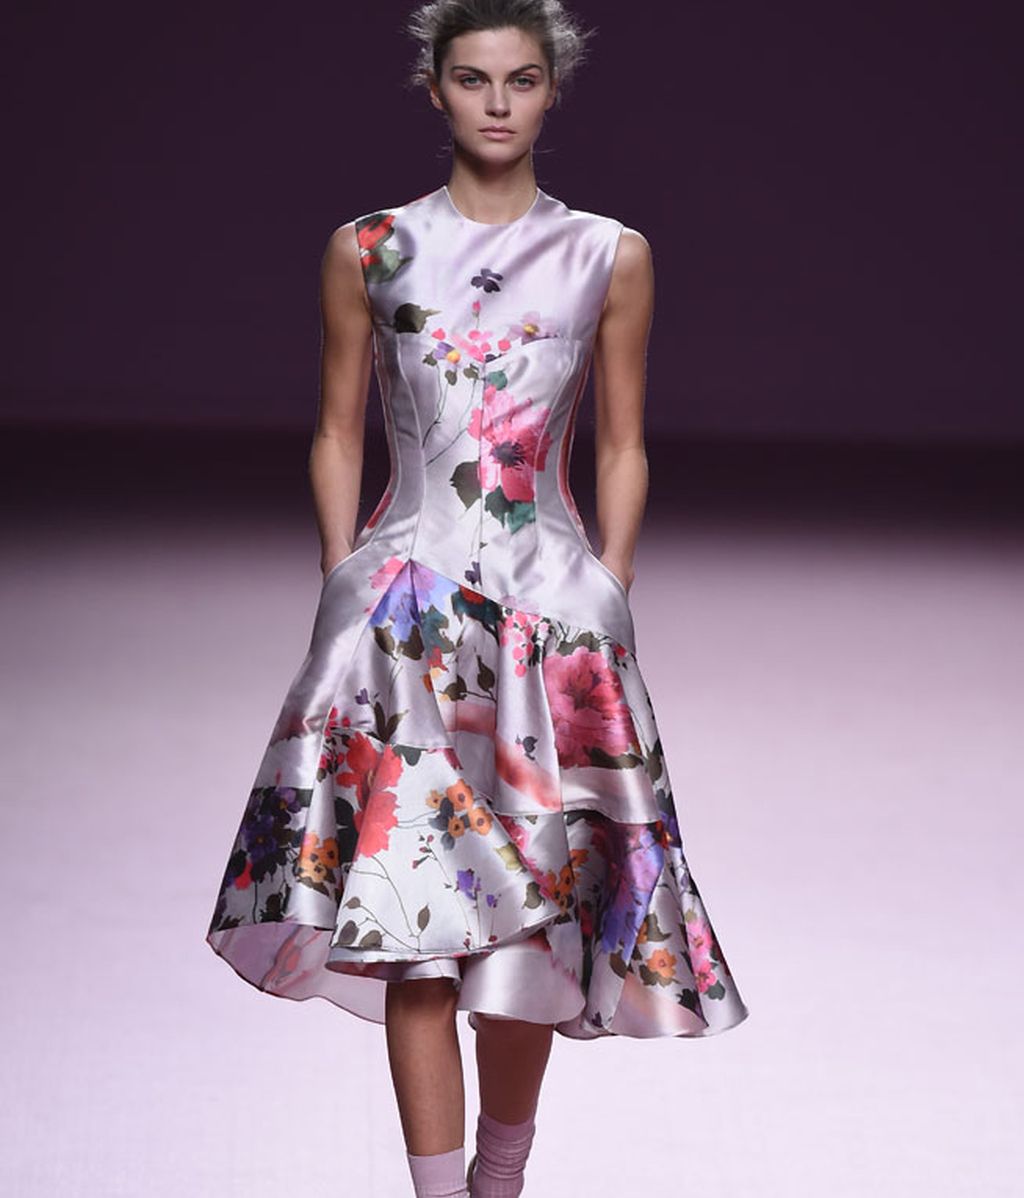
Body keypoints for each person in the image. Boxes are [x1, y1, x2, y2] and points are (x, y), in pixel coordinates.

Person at [205, 2, 749, 1194]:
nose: (497, 103)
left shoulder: (607, 254)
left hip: (549, 623)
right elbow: (337, 426)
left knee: (524, 947)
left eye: (520, 80)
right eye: (471, 79)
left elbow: (621, 440)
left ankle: (498, 1181)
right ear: (434, 89)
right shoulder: (370, 247)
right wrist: (341, 572)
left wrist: (611, 581)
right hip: (400, 621)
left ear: (553, 89)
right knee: (413, 934)